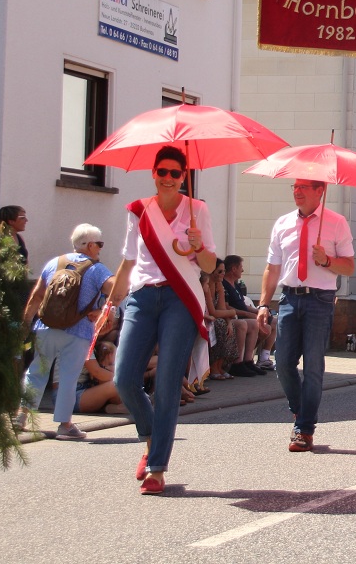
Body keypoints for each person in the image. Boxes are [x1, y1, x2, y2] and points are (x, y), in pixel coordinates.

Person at [109, 146, 217, 495]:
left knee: (168, 383)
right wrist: (113, 297)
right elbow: (129, 259)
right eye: (162, 172)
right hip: (142, 297)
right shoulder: (138, 211)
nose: (168, 178)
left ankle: (156, 468)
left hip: (179, 299)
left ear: (183, 176)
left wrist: (199, 247)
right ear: (153, 173)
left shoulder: (197, 210)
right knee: (125, 378)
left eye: (174, 173)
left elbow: (210, 265)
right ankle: (151, 436)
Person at [255, 179, 355, 453]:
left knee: (312, 365)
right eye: (295, 187)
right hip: (289, 298)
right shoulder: (283, 223)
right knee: (283, 362)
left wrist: (327, 261)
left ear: (320, 190)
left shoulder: (336, 222)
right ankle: (300, 410)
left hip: (320, 299)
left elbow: (349, 267)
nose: (297, 191)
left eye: (303, 187)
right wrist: (263, 305)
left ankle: (304, 428)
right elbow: (272, 268)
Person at [15, 223, 115, 439]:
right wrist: (105, 311)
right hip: (78, 331)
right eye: (99, 244)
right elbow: (115, 289)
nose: (100, 248)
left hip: (46, 326)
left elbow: (37, 296)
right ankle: (65, 425)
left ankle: (21, 416)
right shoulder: (97, 269)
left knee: (36, 372)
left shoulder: (55, 263)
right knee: (69, 377)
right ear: (89, 245)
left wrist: (26, 324)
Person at [223, 255, 274, 370]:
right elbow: (226, 306)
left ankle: (261, 358)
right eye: (241, 267)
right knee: (260, 325)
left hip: (245, 315)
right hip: (237, 316)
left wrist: (259, 310)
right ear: (234, 269)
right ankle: (241, 361)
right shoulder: (224, 285)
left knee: (273, 322)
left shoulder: (236, 285)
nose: (243, 270)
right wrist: (248, 314)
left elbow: (243, 304)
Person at [74, 340, 131, 415]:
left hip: (82, 390)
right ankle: (127, 406)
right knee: (116, 384)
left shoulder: (85, 344)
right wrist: (126, 378)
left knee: (116, 382)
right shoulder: (81, 343)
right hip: (74, 396)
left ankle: (116, 407)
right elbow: (98, 373)